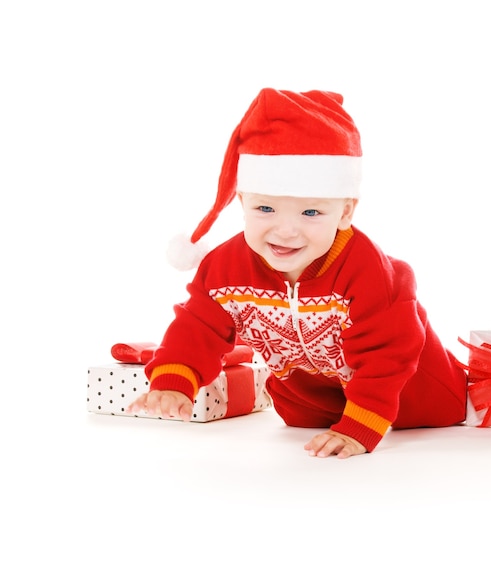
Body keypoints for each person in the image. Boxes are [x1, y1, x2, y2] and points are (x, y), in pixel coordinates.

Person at [128, 88, 467, 458]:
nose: (285, 231)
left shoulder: (366, 270)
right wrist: (174, 382)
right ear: (243, 202)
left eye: (310, 213)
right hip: (311, 409)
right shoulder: (227, 267)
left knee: (407, 382)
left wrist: (359, 429)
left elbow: (388, 353)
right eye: (265, 209)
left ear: (345, 212)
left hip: (412, 401)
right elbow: (199, 327)